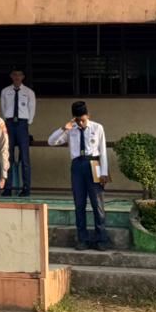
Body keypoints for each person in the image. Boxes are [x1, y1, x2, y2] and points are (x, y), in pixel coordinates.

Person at [47, 101, 110, 250]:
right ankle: (82, 239)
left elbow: (103, 152)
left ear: (88, 115)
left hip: (93, 165)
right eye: (78, 120)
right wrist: (64, 128)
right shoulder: (71, 130)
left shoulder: (97, 127)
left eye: (83, 119)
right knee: (79, 204)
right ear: (73, 119)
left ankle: (101, 238)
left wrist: (104, 173)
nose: (81, 123)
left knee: (97, 203)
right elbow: (51, 141)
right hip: (77, 166)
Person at [0, 68, 37, 197]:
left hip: (22, 124)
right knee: (7, 156)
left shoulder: (28, 92)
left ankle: (26, 188)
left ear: (23, 77)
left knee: (25, 158)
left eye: (19, 75)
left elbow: (31, 108)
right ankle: (8, 187)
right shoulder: (5, 91)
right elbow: (3, 108)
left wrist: (28, 122)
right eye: (14, 75)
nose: (17, 77)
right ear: (11, 76)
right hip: (9, 123)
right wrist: (7, 120)